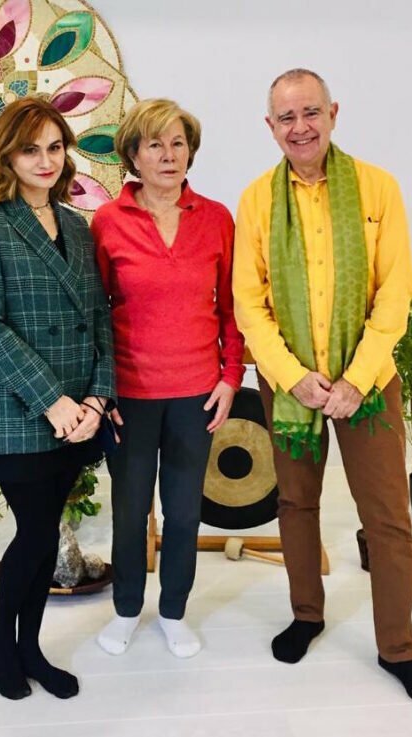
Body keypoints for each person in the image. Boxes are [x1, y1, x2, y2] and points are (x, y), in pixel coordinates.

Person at [232, 69, 412, 710]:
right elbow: (249, 304)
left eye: (310, 113)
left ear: (333, 113)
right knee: (296, 504)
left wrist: (356, 379)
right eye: (286, 117)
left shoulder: (379, 188)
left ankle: (398, 649)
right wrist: (292, 375)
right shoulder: (256, 201)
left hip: (368, 385)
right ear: (270, 127)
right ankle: (306, 615)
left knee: (388, 519)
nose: (300, 127)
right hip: (290, 385)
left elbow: (396, 292)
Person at [0, 97, 115, 700]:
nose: (46, 160)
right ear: (7, 154)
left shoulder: (77, 224)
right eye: (31, 149)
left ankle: (30, 648)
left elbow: (100, 319)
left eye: (55, 147)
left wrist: (96, 399)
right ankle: (3, 641)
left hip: (78, 412)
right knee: (36, 532)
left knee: (46, 535)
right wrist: (54, 403)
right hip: (19, 407)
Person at [91, 98, 245, 658]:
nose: (168, 155)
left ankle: (174, 611)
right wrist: (102, 390)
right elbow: (96, 313)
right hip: (129, 396)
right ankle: (127, 609)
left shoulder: (217, 218)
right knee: (131, 511)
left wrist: (231, 377)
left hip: (196, 394)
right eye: (155, 144)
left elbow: (231, 308)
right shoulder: (108, 222)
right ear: (133, 155)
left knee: (184, 512)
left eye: (178, 143)